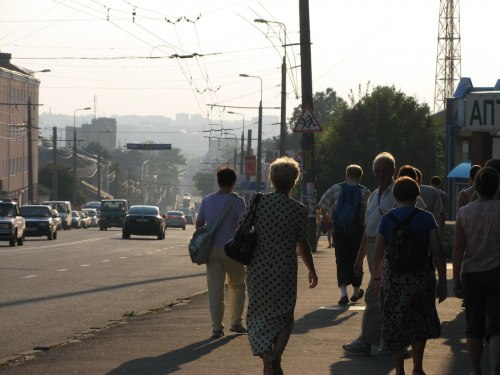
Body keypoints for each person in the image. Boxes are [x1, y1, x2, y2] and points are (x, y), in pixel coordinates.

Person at [242, 157, 318, 375]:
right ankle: (276, 357)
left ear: (271, 180)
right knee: (284, 316)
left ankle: (267, 361)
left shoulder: (257, 202)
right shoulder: (299, 210)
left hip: (258, 268)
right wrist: (311, 270)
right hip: (285, 269)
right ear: (294, 182)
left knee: (258, 314)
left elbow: (242, 227)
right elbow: (303, 244)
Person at [373, 176, 447, 375]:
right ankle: (417, 367)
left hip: (393, 277)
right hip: (421, 276)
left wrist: (378, 279)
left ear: (395, 195)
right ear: (417, 195)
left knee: (394, 321)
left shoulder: (386, 219)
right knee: (419, 320)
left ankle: (399, 370)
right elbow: (438, 251)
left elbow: (378, 253)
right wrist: (442, 281)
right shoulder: (426, 218)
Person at [343, 152, 397, 355]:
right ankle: (389, 340)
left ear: (393, 171)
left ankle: (368, 340)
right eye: (377, 171)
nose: (381, 174)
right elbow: (368, 229)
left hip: (388, 249)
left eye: (384, 170)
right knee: (382, 295)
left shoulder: (397, 192)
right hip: (373, 248)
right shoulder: (374, 195)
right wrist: (359, 257)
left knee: (375, 295)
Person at [453, 166, 500, 375]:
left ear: (476, 186)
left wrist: (455, 280)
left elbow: (458, 248)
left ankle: (474, 370)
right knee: (497, 326)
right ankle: (495, 369)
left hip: (471, 274)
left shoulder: (465, 212)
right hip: (497, 272)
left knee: (474, 325)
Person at [196, 167, 247, 339]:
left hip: (212, 251)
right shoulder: (238, 201)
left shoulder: (207, 200)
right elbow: (243, 225)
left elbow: (199, 225)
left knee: (215, 289)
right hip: (232, 250)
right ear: (233, 182)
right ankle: (236, 323)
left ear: (218, 182)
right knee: (237, 286)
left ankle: (217, 328)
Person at [318, 164, 370, 304]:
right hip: (358, 232)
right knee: (356, 259)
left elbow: (322, 207)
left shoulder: (335, 189)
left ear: (346, 176)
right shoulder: (364, 191)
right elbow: (368, 214)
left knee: (341, 260)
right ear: (360, 177)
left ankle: (343, 294)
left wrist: (329, 221)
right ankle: (356, 291)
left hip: (339, 231)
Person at [415, 168, 445, 235]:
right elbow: (440, 216)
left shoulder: (398, 192)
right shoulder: (433, 191)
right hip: (427, 232)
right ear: (420, 179)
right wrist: (439, 237)